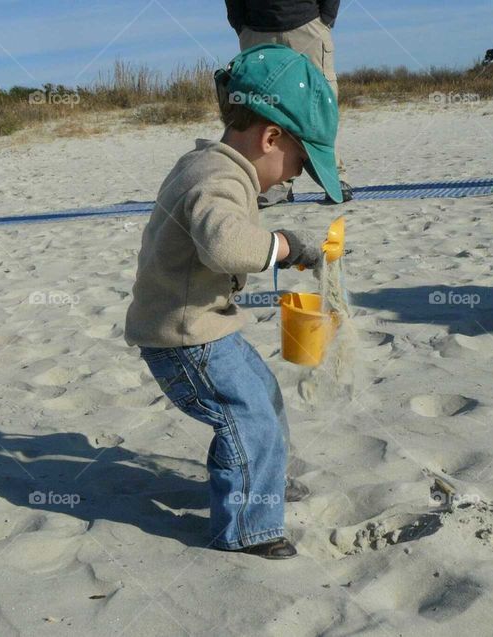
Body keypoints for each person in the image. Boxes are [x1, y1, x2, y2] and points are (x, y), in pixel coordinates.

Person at [124, 44, 343, 559]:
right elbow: (224, 246)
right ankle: (247, 527)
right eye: (299, 162)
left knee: (263, 396)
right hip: (183, 338)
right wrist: (284, 247)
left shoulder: (210, 165)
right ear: (271, 137)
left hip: (207, 326)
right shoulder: (218, 177)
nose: (293, 176)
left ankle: (265, 482)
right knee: (248, 420)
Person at [225, 0, 353, 205]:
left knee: (320, 104)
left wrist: (325, 20)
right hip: (256, 29)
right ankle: (277, 183)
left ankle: (334, 176)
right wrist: (240, 24)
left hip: (307, 24)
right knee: (263, 108)